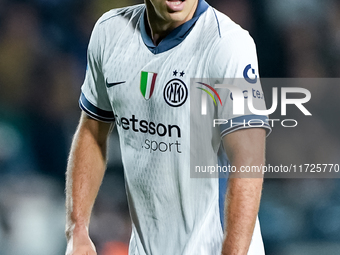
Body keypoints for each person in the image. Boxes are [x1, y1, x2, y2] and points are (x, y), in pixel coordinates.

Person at [65, 0, 271, 254]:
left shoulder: (227, 43)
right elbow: (92, 131)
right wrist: (78, 229)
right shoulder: (109, 32)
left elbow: (248, 159)